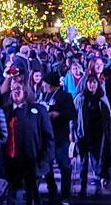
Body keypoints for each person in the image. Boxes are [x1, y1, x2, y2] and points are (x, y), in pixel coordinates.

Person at [2, 77, 55, 205]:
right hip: (12, 162)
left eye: (19, 88)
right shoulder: (4, 111)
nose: (16, 91)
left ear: (26, 91)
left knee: (33, 197)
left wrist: (43, 160)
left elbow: (49, 138)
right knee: (14, 196)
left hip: (33, 162)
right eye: (13, 89)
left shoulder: (39, 110)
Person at [72, 74, 111, 197]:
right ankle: (83, 187)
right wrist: (72, 133)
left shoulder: (102, 98)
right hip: (83, 135)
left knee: (97, 162)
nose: (92, 85)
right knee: (83, 163)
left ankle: (98, 186)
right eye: (90, 83)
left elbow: (107, 118)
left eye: (94, 82)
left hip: (97, 135)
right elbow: (74, 116)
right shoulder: (80, 98)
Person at [40, 72, 76, 204]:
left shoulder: (65, 96)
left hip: (60, 137)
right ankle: (52, 191)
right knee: (47, 166)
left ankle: (65, 194)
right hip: (47, 137)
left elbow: (72, 113)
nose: (42, 84)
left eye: (44, 82)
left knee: (64, 166)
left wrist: (57, 114)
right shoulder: (43, 95)